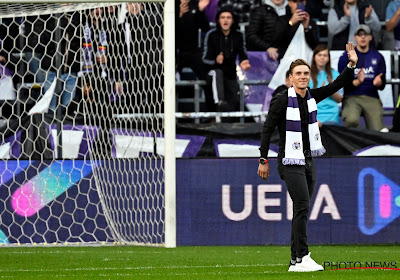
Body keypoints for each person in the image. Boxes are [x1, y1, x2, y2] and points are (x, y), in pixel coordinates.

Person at [257, 42, 358, 272]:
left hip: (308, 160)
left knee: (301, 210)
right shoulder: (282, 99)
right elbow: (267, 128)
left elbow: (336, 85)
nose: (303, 77)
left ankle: (296, 260)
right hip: (289, 160)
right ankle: (302, 256)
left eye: (305, 73)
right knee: (301, 206)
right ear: (290, 78)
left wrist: (351, 64)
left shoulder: (311, 96)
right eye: (298, 74)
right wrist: (263, 159)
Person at [202, 6, 251, 115]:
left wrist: (244, 62)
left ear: (233, 20)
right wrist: (216, 60)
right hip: (212, 72)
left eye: (228, 17)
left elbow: (243, 53)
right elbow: (204, 59)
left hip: (231, 74)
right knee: (217, 73)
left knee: (233, 103)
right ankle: (219, 102)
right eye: (222, 17)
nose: (225, 20)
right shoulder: (211, 35)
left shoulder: (238, 35)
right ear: (218, 20)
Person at [338, 24, 386, 131]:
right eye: (359, 35)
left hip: (372, 96)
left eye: (366, 34)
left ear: (370, 37)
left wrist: (379, 83)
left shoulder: (378, 56)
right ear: (355, 38)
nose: (363, 37)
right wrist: (358, 81)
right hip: (352, 97)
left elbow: (382, 85)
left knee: (377, 130)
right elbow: (341, 83)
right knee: (351, 120)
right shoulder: (346, 56)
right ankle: (349, 147)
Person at [175, 0, 215, 112]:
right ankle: (168, 117)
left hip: (192, 51)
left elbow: (205, 28)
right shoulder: (171, 4)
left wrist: (201, 11)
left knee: (209, 77)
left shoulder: (195, 4)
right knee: (169, 79)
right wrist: (179, 15)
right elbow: (165, 29)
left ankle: (212, 114)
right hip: (174, 51)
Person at [247, 0, 318, 60]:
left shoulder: (309, 21)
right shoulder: (282, 19)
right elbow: (277, 40)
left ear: (305, 3)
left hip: (305, 58)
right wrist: (290, 23)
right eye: (294, 2)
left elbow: (315, 45)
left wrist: (306, 28)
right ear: (289, 3)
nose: (298, 5)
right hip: (284, 59)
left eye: (301, 2)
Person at [39, 12, 81, 112]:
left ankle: (66, 124)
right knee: (50, 105)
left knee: (68, 105)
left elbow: (78, 40)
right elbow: (45, 40)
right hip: (52, 69)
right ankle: (51, 125)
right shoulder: (52, 17)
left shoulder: (77, 18)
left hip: (71, 69)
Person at [309, 44, 342, 126]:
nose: (322, 58)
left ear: (328, 59)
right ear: (314, 57)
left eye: (325, 55)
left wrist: (329, 90)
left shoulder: (335, 74)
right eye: (319, 55)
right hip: (312, 114)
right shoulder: (306, 74)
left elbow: (339, 99)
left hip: (331, 116)